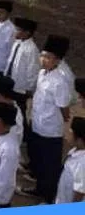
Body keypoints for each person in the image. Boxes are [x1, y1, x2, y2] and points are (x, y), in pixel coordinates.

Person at [27, 35, 74, 202]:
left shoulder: (60, 81)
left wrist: (64, 125)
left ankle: (48, 196)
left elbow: (64, 109)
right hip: (38, 124)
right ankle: (38, 189)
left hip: (51, 130)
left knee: (50, 166)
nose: (44, 60)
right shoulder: (41, 74)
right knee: (38, 161)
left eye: (48, 57)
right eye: (43, 55)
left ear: (57, 60)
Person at [56, 117, 85, 204]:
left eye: (70, 132)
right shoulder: (74, 151)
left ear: (79, 140)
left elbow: (80, 193)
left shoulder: (82, 163)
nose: (67, 134)